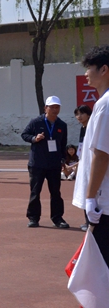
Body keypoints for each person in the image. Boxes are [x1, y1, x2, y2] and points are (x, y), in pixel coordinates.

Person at [72, 46, 109, 268]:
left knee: (100, 266)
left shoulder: (105, 105)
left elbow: (102, 155)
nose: (86, 73)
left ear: (104, 70)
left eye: (89, 68)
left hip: (103, 202)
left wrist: (91, 197)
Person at [21, 95, 69, 228]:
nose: (55, 110)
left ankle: (57, 218)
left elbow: (63, 144)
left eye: (57, 107)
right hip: (37, 163)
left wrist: (63, 159)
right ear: (45, 108)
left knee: (56, 192)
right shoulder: (36, 122)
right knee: (35, 192)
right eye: (52, 107)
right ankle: (33, 218)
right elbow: (24, 135)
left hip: (54, 164)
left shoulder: (62, 125)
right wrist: (34, 138)